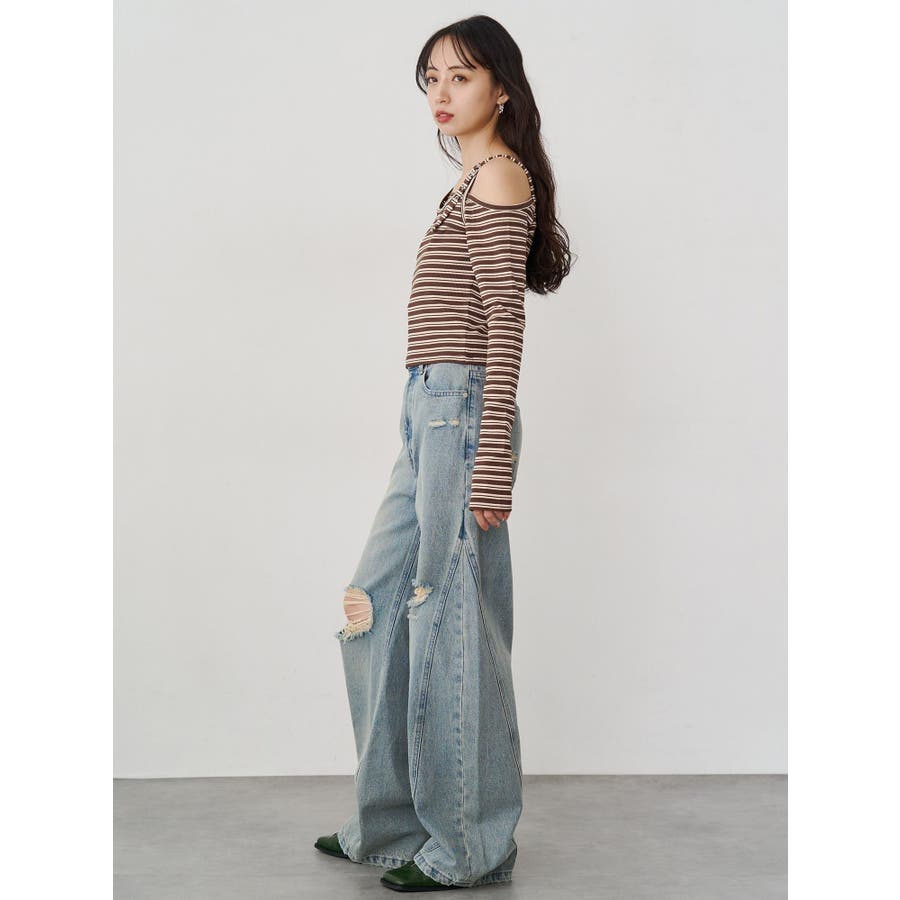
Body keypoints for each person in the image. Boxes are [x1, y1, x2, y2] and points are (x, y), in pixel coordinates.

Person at [315, 14, 572, 892]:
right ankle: (390, 821)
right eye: (431, 77)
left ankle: (468, 843)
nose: (441, 91)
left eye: (460, 76)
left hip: (461, 417)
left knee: (452, 622)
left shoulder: (497, 177)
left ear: (501, 88)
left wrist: (491, 460)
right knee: (376, 602)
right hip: (425, 413)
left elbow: (504, 326)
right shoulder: (467, 181)